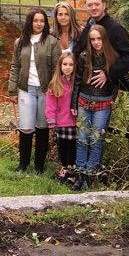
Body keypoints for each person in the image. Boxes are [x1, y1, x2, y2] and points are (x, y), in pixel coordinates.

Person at [70, 24, 129, 190]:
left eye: (99, 39)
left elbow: (124, 77)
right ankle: (79, 175)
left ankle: (89, 176)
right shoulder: (84, 56)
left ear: (105, 39)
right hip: (84, 102)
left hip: (103, 104)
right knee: (82, 139)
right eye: (93, 39)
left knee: (96, 140)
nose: (96, 42)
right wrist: (73, 102)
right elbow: (77, 80)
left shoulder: (113, 58)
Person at [8, 8, 62, 174]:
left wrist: (54, 88)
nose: (39, 24)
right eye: (36, 20)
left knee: (42, 127)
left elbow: (56, 68)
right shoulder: (20, 42)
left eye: (42, 21)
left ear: (45, 23)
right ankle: (23, 164)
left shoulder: (52, 42)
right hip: (26, 89)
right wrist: (12, 90)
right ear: (30, 22)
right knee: (25, 127)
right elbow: (15, 66)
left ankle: (39, 166)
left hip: (46, 90)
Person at [44, 50, 78, 181]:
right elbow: (50, 105)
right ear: (60, 66)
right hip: (61, 121)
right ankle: (64, 168)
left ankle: (72, 171)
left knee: (73, 147)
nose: (68, 67)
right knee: (63, 146)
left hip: (75, 122)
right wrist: (51, 122)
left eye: (71, 64)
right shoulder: (55, 84)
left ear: (75, 66)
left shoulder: (77, 83)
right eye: (65, 64)